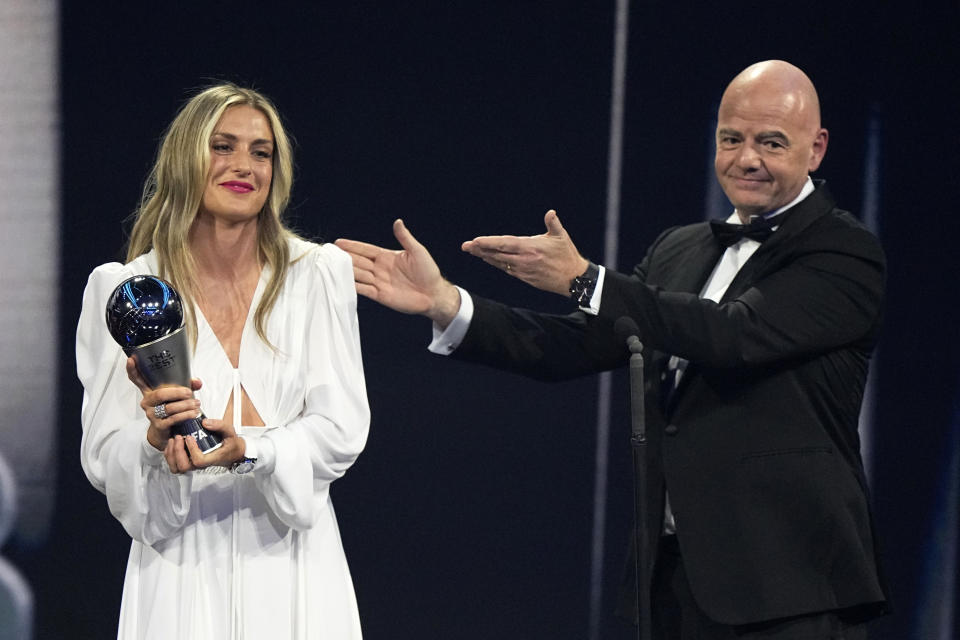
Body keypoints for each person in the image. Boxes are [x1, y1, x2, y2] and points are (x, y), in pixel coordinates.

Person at [335, 60, 888, 639]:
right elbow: (574, 346)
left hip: (792, 584)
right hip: (676, 581)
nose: (746, 158)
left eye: (771, 142)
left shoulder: (844, 253)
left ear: (817, 148)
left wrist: (586, 279)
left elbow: (731, 335)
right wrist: (446, 303)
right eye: (732, 139)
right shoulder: (680, 249)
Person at [76, 84, 369, 639]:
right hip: (179, 571)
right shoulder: (129, 292)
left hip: (297, 572)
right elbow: (102, 453)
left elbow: (342, 430)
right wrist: (154, 441)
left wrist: (254, 450)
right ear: (186, 156)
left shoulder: (317, 275)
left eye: (261, 152)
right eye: (223, 146)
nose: (244, 166)